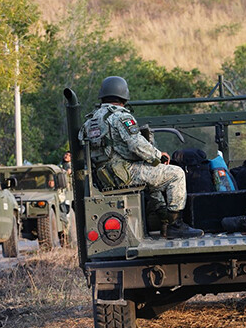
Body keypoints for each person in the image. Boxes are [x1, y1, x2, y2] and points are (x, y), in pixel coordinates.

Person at [79, 76, 203, 239]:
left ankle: (164, 219)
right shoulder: (121, 117)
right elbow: (136, 145)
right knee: (175, 174)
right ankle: (175, 225)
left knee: (154, 180)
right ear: (123, 96)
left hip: (105, 177)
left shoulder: (90, 122)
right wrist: (158, 156)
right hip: (125, 174)